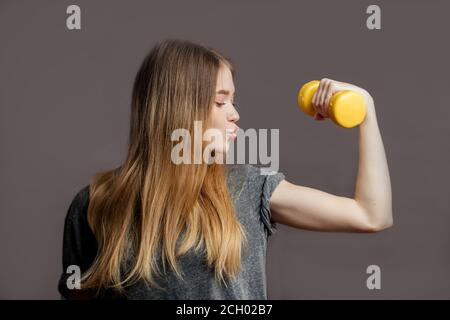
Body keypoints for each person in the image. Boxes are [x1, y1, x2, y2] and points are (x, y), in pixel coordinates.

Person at [57, 39, 393, 299]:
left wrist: (367, 110)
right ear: (179, 108)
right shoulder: (94, 203)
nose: (235, 114)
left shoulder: (249, 186)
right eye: (221, 101)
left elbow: (371, 215)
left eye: (233, 100)